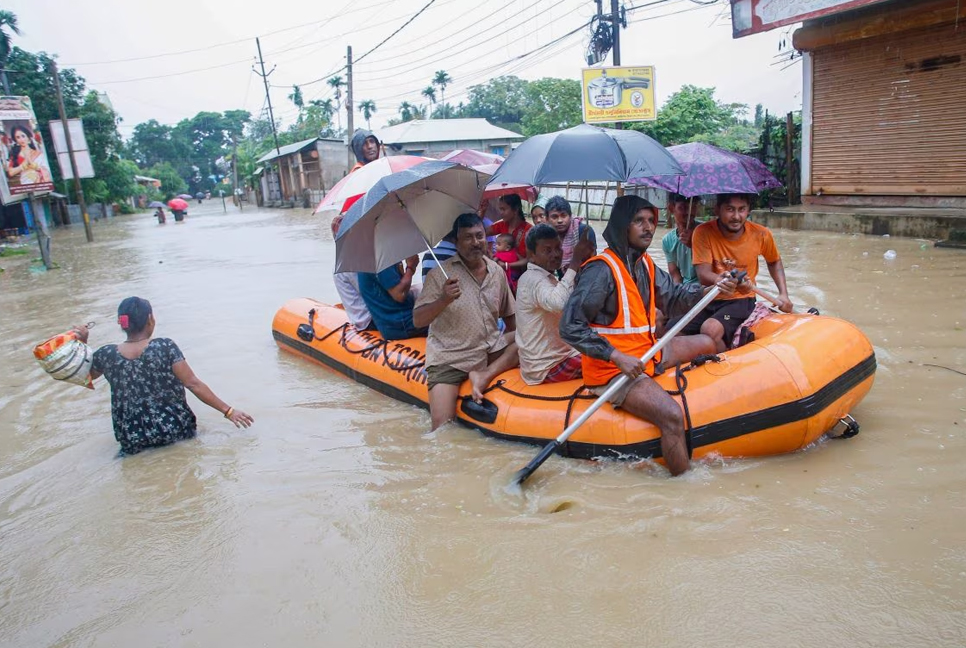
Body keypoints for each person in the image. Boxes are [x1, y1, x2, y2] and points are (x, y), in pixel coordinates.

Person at [561, 195, 736, 476]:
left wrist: (710, 290)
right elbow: (570, 326)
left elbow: (675, 298)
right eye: (638, 221)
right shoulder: (599, 271)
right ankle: (683, 484)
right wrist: (616, 357)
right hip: (613, 370)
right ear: (622, 225)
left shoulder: (644, 264)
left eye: (651, 221)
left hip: (647, 352)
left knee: (707, 342)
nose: (648, 228)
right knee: (672, 417)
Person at [71, 297, 253, 456]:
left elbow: (84, 377)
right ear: (150, 319)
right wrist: (229, 411)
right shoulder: (164, 347)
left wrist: (83, 343)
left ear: (122, 324)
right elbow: (193, 384)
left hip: (132, 441)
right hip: (175, 432)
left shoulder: (107, 354)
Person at [413, 213, 518, 429]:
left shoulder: (496, 272)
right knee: (442, 429)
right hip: (450, 358)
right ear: (456, 242)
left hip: (488, 350)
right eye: (468, 237)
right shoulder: (439, 275)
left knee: (524, 342)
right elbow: (417, 320)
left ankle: (483, 376)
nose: (475, 242)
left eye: (479, 236)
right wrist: (443, 299)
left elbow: (511, 317)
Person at [690, 193, 792, 352]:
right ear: (718, 209)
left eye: (742, 209)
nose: (736, 216)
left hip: (742, 299)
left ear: (748, 210)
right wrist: (719, 280)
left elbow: (774, 261)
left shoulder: (761, 234)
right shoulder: (702, 232)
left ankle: (726, 362)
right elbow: (703, 274)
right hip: (710, 296)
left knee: (710, 330)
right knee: (667, 326)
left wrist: (783, 294)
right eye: (730, 209)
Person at [516, 224, 595, 385]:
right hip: (547, 366)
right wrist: (575, 261)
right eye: (548, 250)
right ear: (531, 255)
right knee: (608, 360)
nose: (556, 254)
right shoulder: (533, 279)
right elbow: (559, 303)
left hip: (555, 358)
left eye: (558, 248)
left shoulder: (546, 277)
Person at [357, 255, 427, 340]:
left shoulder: (366, 258)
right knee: (444, 320)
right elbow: (400, 295)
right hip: (401, 324)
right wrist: (410, 268)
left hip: (389, 324)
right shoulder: (382, 259)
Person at [330, 214, 373, 331]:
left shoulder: (343, 259)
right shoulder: (351, 261)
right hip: (368, 319)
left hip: (361, 317)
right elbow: (371, 292)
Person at [545, 196, 598, 271]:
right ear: (547, 219)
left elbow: (593, 260)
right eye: (554, 217)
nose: (560, 220)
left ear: (570, 216)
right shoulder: (546, 236)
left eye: (563, 216)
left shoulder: (584, 231)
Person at [662, 193, 700, 285]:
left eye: (693, 207)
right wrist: (678, 294)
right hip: (686, 290)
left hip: (707, 288)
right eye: (683, 207)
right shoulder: (667, 240)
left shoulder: (706, 231)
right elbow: (675, 275)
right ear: (671, 208)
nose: (689, 212)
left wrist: (694, 245)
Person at [490, 194, 531, 273]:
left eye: (503, 209)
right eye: (500, 209)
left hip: (522, 275)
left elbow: (530, 260)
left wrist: (506, 265)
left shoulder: (529, 230)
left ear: (515, 210)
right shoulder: (502, 225)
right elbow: (482, 232)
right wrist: (482, 213)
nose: (500, 213)